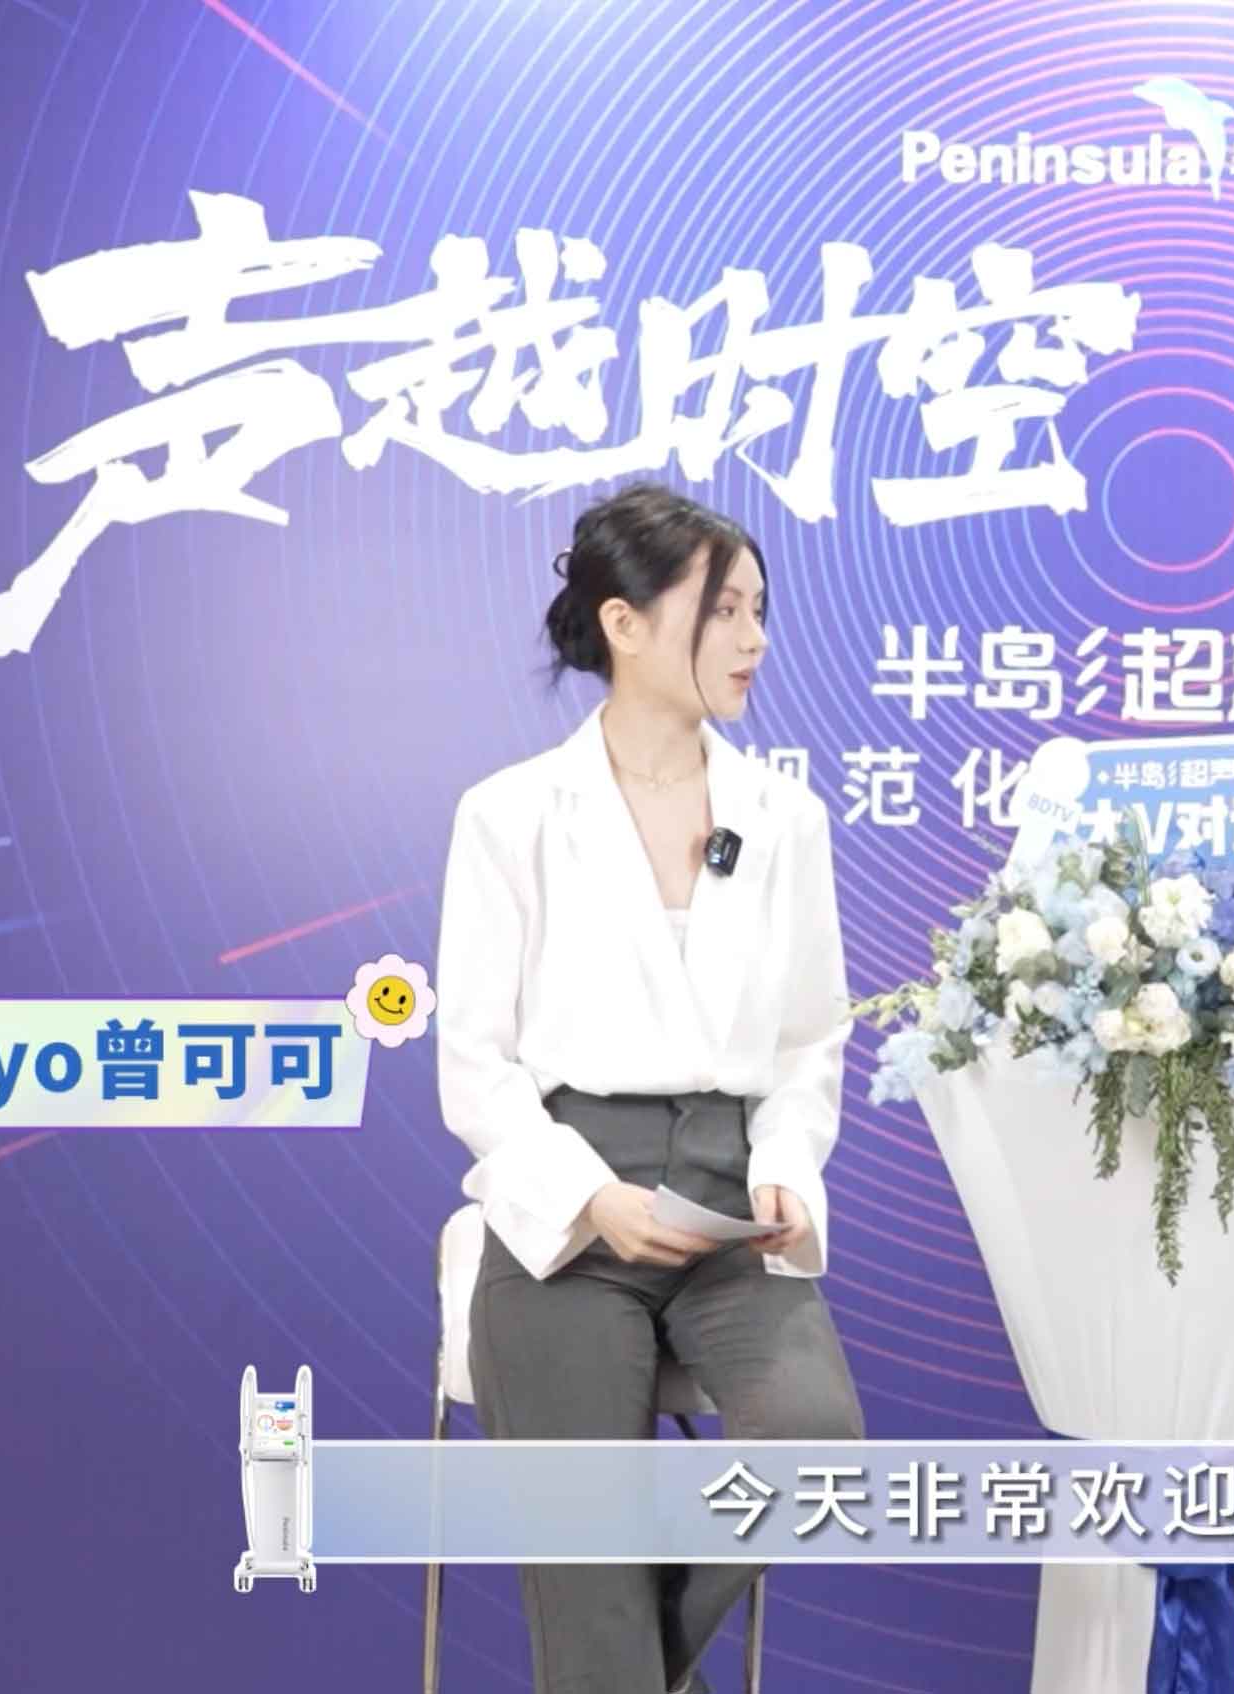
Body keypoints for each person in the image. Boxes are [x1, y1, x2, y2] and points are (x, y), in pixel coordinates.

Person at [436, 481, 866, 1694]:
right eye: (722, 609)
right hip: (568, 1211)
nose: (753, 638)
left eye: (759, 610)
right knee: (585, 1548)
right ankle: (613, 1647)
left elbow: (808, 1041)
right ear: (623, 623)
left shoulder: (784, 817)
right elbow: (474, 1062)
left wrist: (783, 1172)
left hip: (731, 1206)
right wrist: (587, 1196)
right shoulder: (511, 813)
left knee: (815, 1447)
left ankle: (620, 1657)